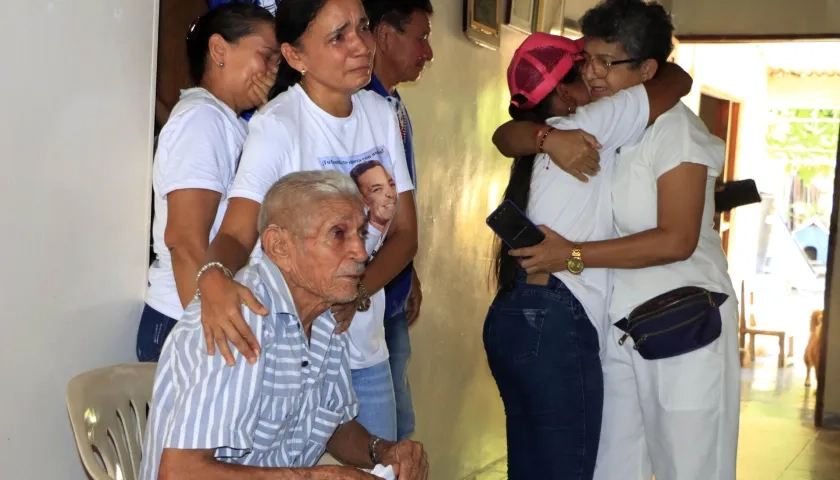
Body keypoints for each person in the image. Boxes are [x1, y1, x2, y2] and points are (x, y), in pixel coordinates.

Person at [507, 1, 740, 479]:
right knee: (612, 468)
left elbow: (674, 240)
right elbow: (508, 133)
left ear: (648, 69)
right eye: (586, 60)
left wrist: (568, 255)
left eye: (606, 63)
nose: (591, 74)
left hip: (684, 323)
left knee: (689, 468)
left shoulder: (676, 132)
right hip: (620, 327)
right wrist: (548, 140)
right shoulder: (610, 124)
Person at [193, 0, 418, 443]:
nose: (361, 46)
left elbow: (406, 234)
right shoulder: (277, 126)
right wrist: (213, 277)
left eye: (363, 28)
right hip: (293, 360)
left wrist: (359, 290)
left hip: (365, 356)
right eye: (338, 36)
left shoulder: (380, 114)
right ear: (296, 56)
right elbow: (238, 233)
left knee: (382, 464)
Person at [485, 31, 691, 480]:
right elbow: (677, 79)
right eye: (585, 66)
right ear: (563, 91)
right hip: (556, 321)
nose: (596, 73)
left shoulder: (545, 140)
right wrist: (650, 57)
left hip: (514, 314)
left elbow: (503, 135)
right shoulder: (593, 123)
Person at [140, 171, 429, 480]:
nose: (360, 252)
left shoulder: (324, 316)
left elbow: (332, 426)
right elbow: (178, 472)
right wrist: (313, 477)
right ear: (279, 246)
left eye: (360, 232)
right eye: (338, 234)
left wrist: (382, 451)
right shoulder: (240, 318)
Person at [137, 3, 279, 362]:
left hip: (205, 317)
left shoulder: (232, 123)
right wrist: (205, 331)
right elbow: (184, 241)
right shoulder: (203, 120)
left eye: (278, 62)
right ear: (219, 50)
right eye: (266, 56)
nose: (273, 71)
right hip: (188, 321)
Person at [360, 0, 434, 440]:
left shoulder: (392, 105)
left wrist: (409, 271)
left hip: (389, 291)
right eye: (420, 38)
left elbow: (395, 213)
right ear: (386, 36)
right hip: (364, 299)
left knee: (400, 427)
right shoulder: (360, 107)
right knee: (386, 438)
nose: (428, 53)